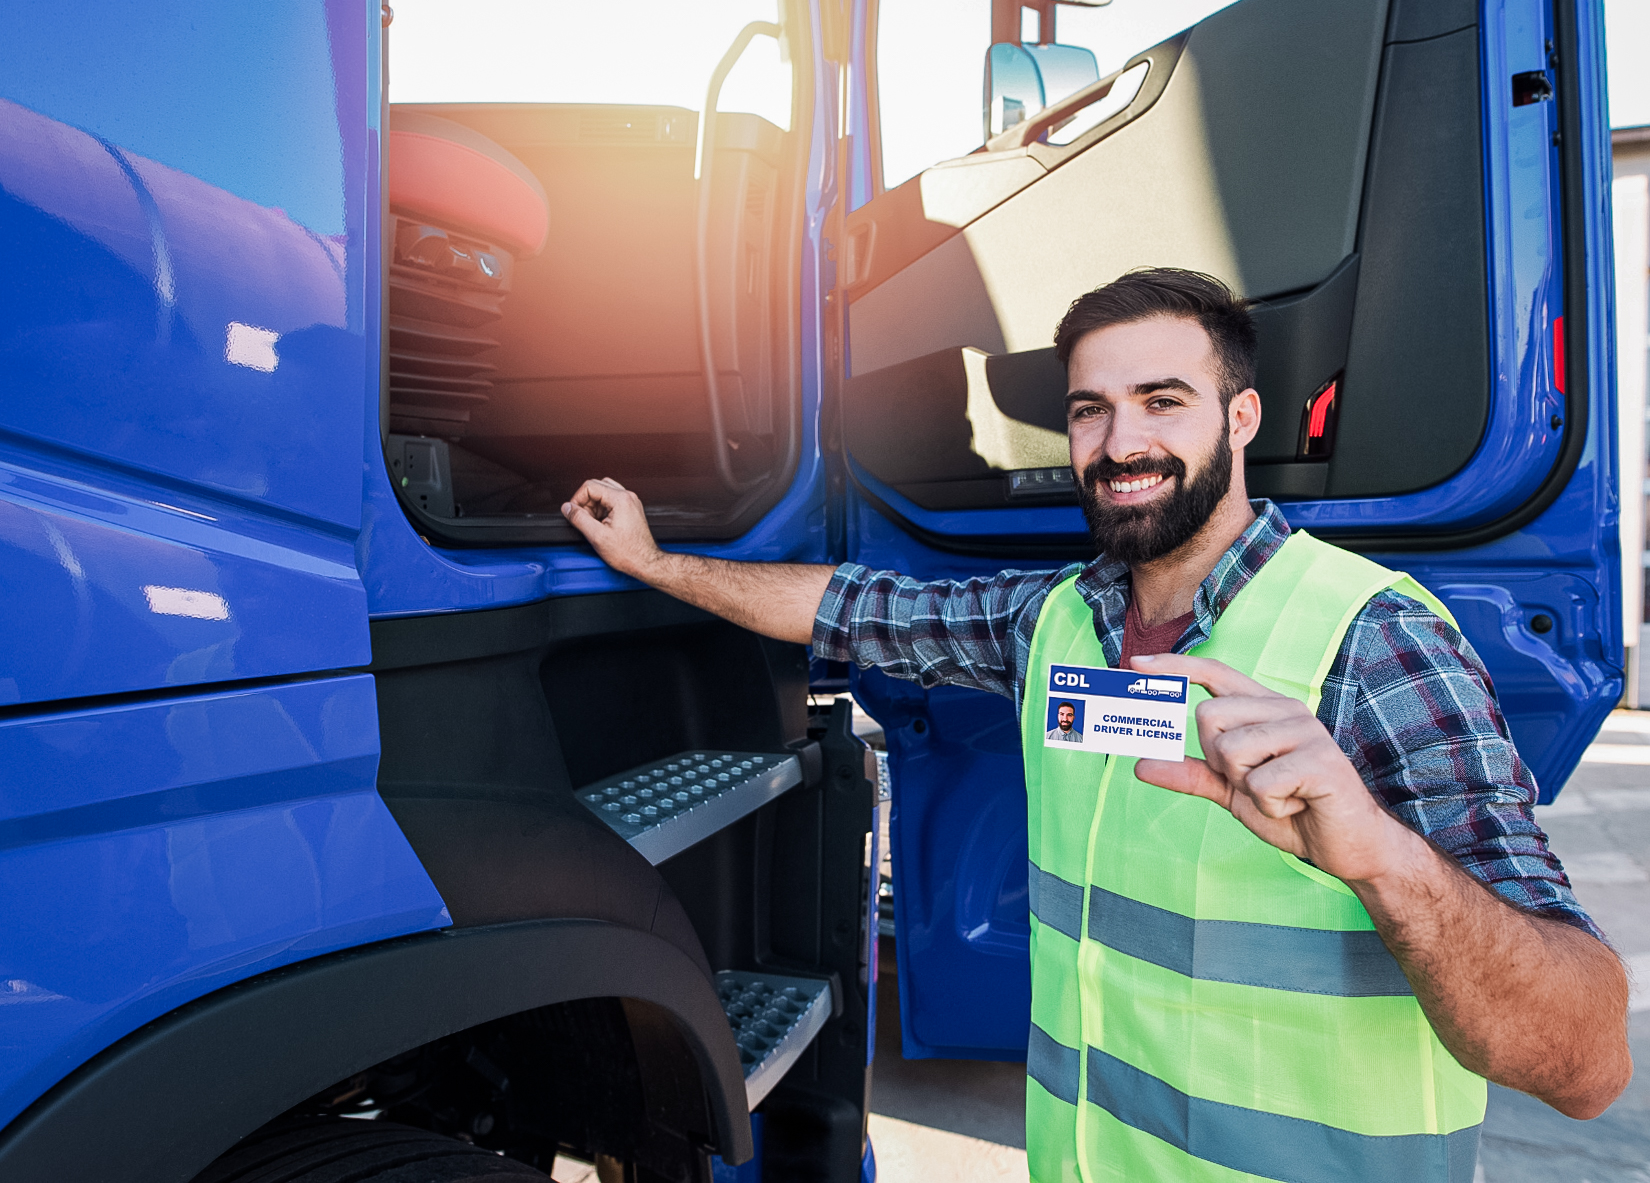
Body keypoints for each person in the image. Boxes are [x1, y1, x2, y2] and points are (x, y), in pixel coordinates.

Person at [563, 268, 1631, 1181]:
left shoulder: (1373, 642)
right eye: (1089, 409)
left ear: (1241, 418)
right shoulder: (1056, 621)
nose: (1122, 442)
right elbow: (851, 607)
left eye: (1164, 400)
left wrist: (1386, 861)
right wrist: (658, 565)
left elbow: (1584, 1064)